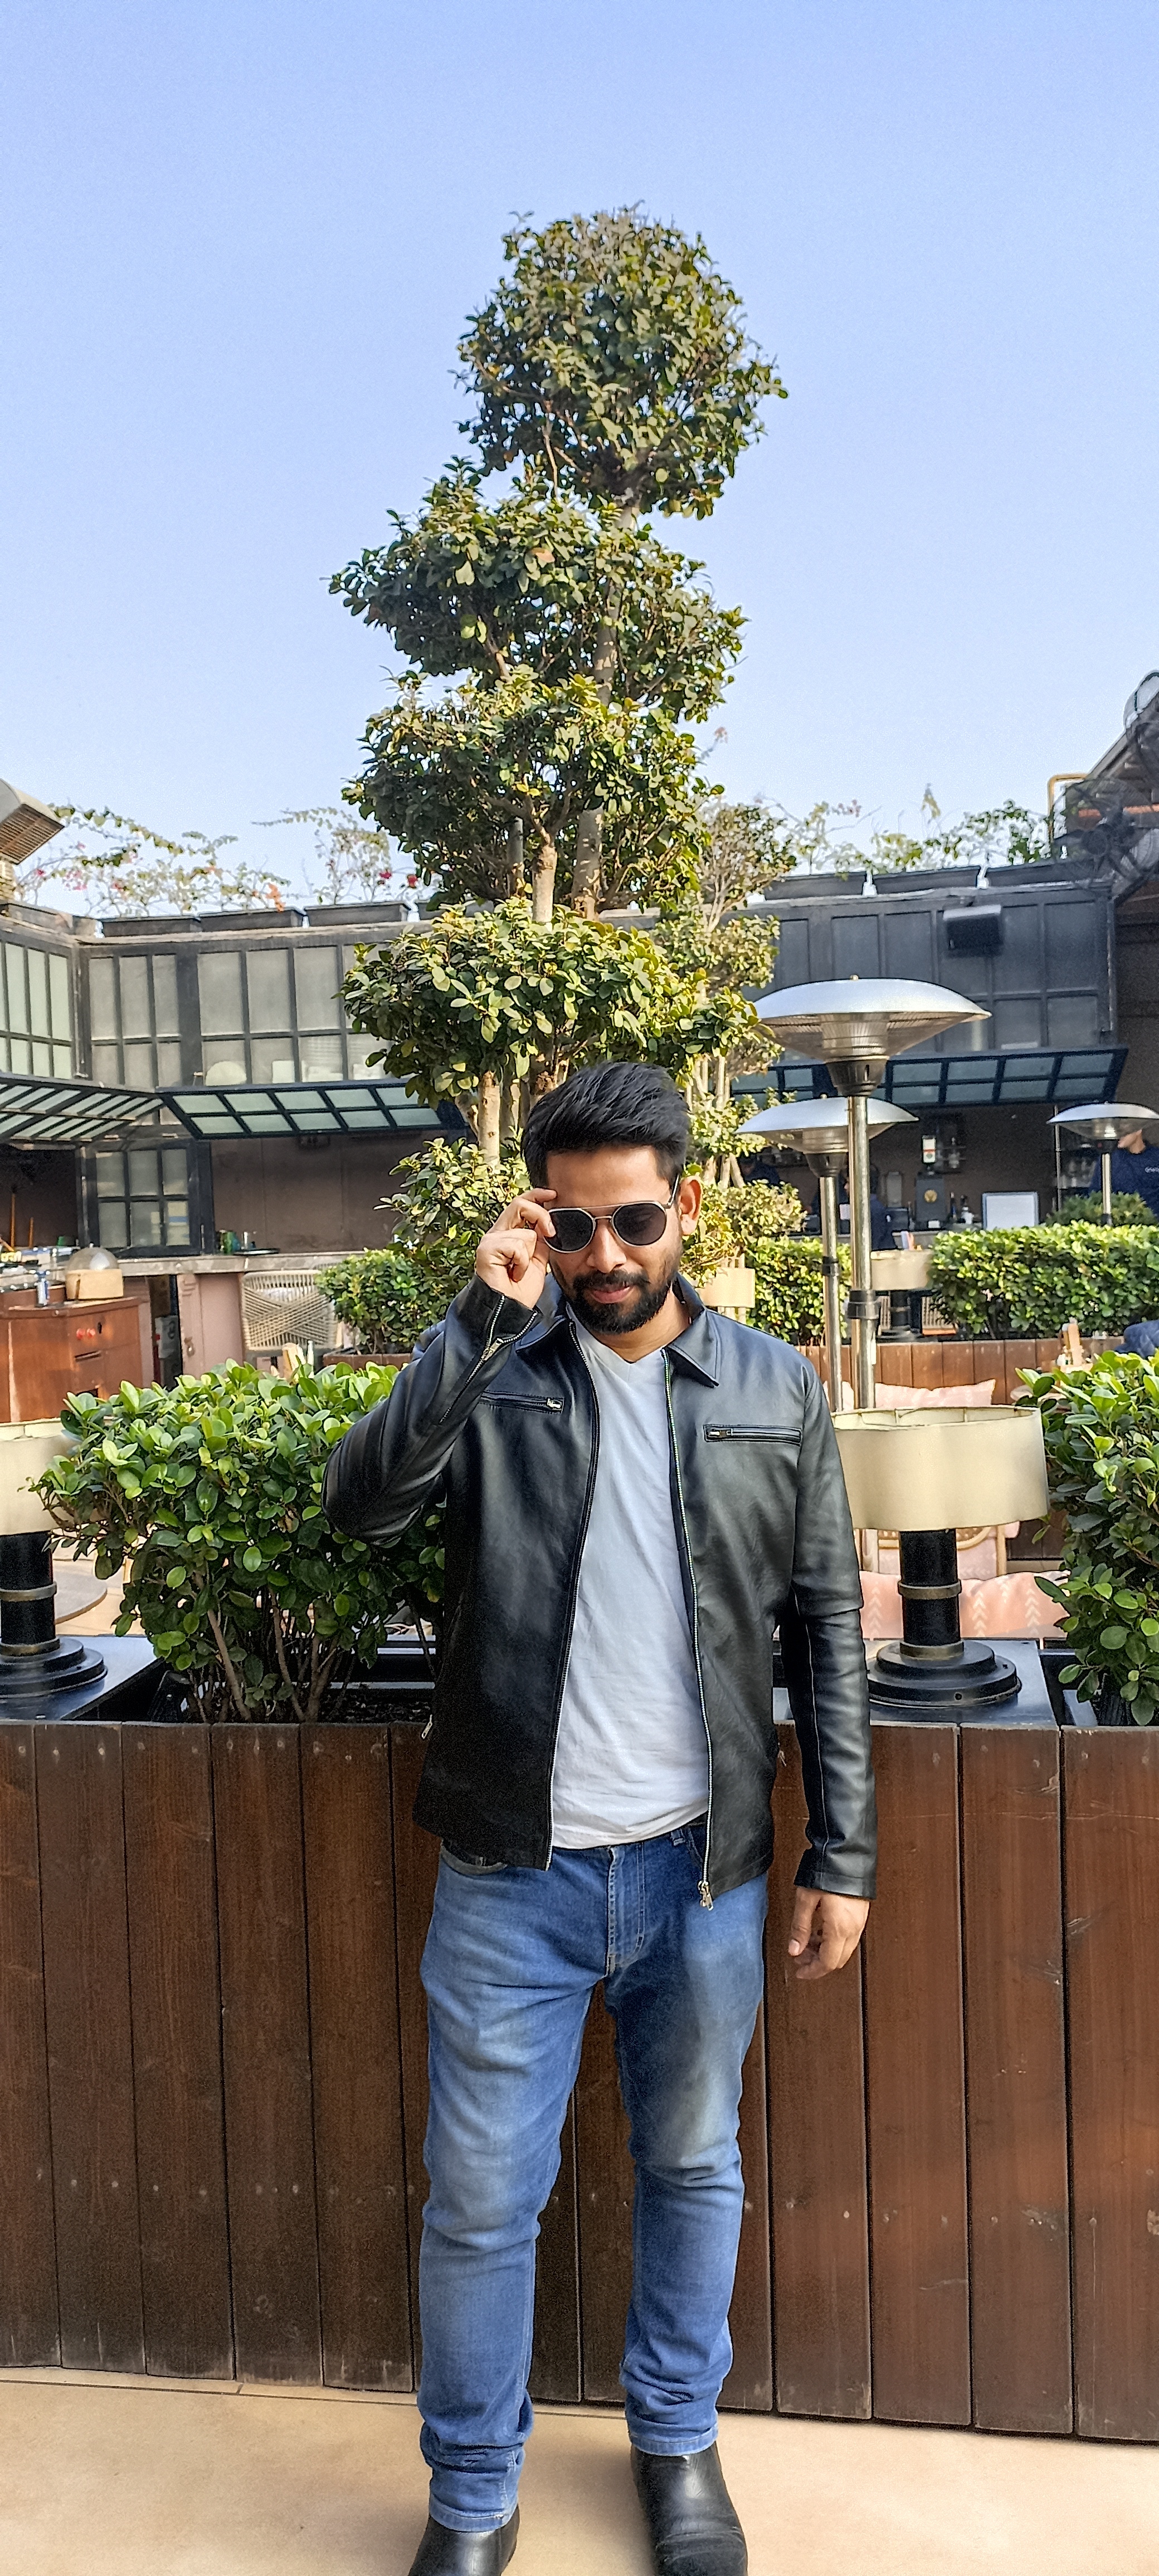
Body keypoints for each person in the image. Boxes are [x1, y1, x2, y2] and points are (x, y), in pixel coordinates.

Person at [324, 1062, 875, 2576]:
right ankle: (472, 2495)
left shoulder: (771, 1385)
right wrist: (474, 1317)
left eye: (633, 1220)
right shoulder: (495, 1364)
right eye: (573, 1226)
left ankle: (677, 2444)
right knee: (480, 2200)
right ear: (539, 1221)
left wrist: (843, 1851)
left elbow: (828, 1627)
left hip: (703, 1874)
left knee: (694, 2165)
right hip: (513, 1872)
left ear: (685, 1205)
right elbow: (361, 1506)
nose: (606, 1254)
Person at [1087, 1126, 1159, 1221]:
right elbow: (1094, 1196)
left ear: (1138, 1130)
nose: (1119, 1135)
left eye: (1124, 1132)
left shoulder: (1156, 1157)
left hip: (1154, 1226)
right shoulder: (1108, 1159)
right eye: (1118, 1131)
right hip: (1120, 1226)